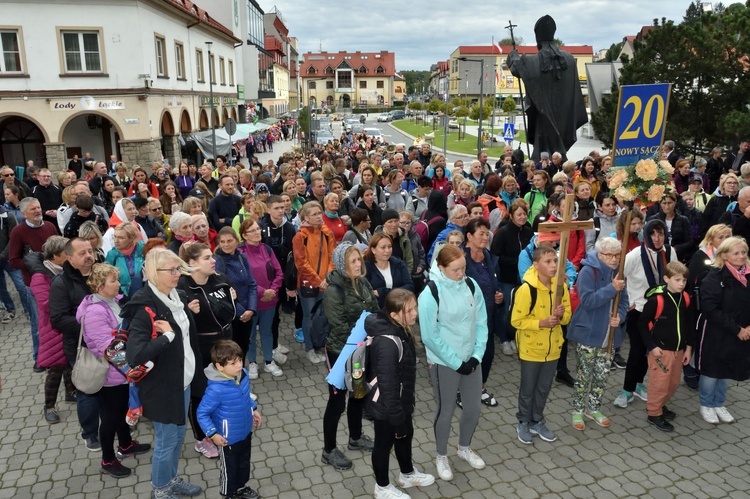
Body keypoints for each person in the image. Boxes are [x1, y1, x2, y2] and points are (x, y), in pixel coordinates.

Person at [122, 248, 205, 499]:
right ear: (153, 273)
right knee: (167, 441)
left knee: (178, 437)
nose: (177, 273)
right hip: (163, 387)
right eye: (172, 270)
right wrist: (167, 336)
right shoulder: (144, 306)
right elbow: (134, 355)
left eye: (178, 268)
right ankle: (160, 489)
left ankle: (171, 480)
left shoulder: (177, 296)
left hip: (184, 381)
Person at [418, 244, 487, 481]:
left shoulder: (471, 285)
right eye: (456, 269)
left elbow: (481, 323)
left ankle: (464, 447)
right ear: (441, 267)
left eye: (464, 268)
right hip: (445, 363)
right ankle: (441, 455)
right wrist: (456, 362)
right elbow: (429, 336)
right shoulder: (430, 293)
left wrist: (477, 355)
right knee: (445, 410)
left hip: (471, 359)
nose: (461, 273)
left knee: (473, 407)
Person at [77, 263, 151, 477]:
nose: (119, 283)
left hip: (122, 373)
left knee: (122, 410)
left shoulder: (116, 301)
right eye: (113, 280)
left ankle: (126, 444)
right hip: (112, 376)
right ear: (100, 286)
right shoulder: (94, 312)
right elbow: (108, 348)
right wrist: (132, 370)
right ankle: (108, 459)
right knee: (111, 417)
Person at [366, 289, 435, 499]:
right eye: (409, 310)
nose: (415, 313)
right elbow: (387, 385)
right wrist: (397, 418)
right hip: (387, 406)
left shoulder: (401, 329)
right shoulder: (387, 343)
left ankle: (407, 474)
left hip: (400, 401)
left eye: (415, 307)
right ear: (394, 315)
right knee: (383, 444)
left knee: (405, 435)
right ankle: (382, 487)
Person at [319, 242, 378, 471]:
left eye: (359, 260)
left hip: (361, 349)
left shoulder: (362, 282)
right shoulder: (334, 290)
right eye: (353, 261)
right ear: (343, 265)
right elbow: (340, 325)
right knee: (336, 402)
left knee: (358, 394)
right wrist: (365, 335)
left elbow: (373, 308)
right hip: (340, 351)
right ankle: (329, 450)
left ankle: (355, 437)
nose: (358, 264)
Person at [177, 242, 239, 460]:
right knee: (201, 394)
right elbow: (173, 322)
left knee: (223, 388)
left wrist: (233, 297)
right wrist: (187, 311)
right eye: (206, 258)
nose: (213, 260)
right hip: (200, 349)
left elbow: (228, 309)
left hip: (225, 344)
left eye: (212, 256)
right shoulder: (182, 287)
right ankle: (202, 438)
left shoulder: (219, 279)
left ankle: (219, 427)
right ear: (192, 263)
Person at [511, 246, 572, 444]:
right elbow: (516, 321)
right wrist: (541, 323)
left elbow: (568, 316)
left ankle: (537, 420)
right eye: (548, 261)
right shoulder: (526, 290)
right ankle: (523, 421)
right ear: (536, 265)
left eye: (555, 260)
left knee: (544, 388)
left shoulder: (560, 287)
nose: (553, 265)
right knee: (528, 389)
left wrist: (562, 315)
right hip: (531, 349)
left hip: (552, 348)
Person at [567, 238, 629, 431]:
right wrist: (611, 288)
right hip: (589, 333)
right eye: (610, 255)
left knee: (602, 374)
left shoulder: (619, 272)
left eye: (617, 255)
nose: (614, 259)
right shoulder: (588, 271)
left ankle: (593, 408)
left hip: (609, 335)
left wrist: (619, 316)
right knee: (585, 374)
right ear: (600, 255)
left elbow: (624, 301)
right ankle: (577, 409)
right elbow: (588, 301)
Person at [614, 220, 678, 409]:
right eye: (653, 234)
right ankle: (626, 390)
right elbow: (618, 278)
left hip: (661, 310)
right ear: (646, 235)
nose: (657, 239)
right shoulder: (635, 255)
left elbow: (674, 275)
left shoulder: (670, 252)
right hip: (640, 311)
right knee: (636, 351)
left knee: (651, 351)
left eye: (661, 234)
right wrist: (628, 302)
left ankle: (639, 384)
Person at [507, 14, 587, 161]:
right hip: (564, 118)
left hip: (544, 121)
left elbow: (517, 68)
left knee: (542, 154)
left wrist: (513, 56)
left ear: (538, 37)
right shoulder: (569, 59)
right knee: (557, 154)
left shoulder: (532, 61)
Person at [49, 238, 99, 449]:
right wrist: (93, 325)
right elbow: (58, 319)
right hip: (81, 348)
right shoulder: (62, 283)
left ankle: (118, 426)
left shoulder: (101, 273)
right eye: (82, 253)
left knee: (114, 385)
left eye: (90, 251)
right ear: (69, 257)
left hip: (110, 343)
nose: (89, 255)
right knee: (88, 391)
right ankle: (90, 433)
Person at [197, 340, 262, 499]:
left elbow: (245, 395)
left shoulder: (243, 375)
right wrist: (213, 434)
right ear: (220, 367)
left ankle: (241, 488)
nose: (239, 365)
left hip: (245, 432)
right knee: (230, 470)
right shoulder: (216, 389)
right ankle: (229, 494)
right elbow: (202, 413)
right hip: (227, 440)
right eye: (233, 363)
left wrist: (253, 409)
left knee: (244, 464)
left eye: (239, 360)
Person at [696, 236, 750, 424]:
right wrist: (737, 329)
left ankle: (719, 403)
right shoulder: (715, 276)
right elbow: (710, 309)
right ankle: (706, 404)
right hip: (716, 331)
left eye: (744, 252)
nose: (741, 256)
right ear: (725, 255)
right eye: (736, 253)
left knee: (727, 369)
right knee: (712, 371)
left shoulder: (748, 275)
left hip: (741, 332)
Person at [637, 261, 693, 432]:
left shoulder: (685, 298)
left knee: (673, 383)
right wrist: (652, 346)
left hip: (679, 349)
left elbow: (689, 324)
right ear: (666, 279)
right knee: (659, 384)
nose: (681, 284)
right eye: (677, 280)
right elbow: (641, 324)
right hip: (660, 351)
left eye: (684, 280)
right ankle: (654, 413)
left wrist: (689, 347)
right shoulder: (657, 300)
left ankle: (660, 405)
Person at [27, 236, 76, 424]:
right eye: (67, 252)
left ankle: (70, 392)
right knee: (55, 367)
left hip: (66, 322)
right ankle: (49, 406)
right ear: (56, 255)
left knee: (69, 362)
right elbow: (47, 304)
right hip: (52, 328)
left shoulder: (65, 270)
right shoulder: (40, 277)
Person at [8, 197, 58, 371]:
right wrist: (35, 266)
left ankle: (56, 356)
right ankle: (39, 358)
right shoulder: (18, 232)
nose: (38, 211)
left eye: (38, 207)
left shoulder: (50, 226)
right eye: (32, 209)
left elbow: (58, 249)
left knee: (55, 319)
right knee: (39, 322)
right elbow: (13, 260)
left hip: (55, 281)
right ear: (23, 214)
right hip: (34, 284)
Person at [463, 219, 503, 408]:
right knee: (468, 355)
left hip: (488, 318)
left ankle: (480, 388)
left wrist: (499, 296)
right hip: (467, 321)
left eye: (487, 233)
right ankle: (462, 391)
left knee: (486, 355)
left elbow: (496, 283)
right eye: (481, 233)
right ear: (469, 236)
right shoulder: (461, 260)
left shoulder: (489, 258)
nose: (485, 237)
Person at [292, 201, 335, 364]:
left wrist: (328, 278)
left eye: (320, 213)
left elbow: (332, 255)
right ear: (306, 217)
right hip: (308, 284)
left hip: (326, 282)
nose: (319, 216)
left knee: (322, 317)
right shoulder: (300, 236)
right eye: (315, 214)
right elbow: (301, 263)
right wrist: (319, 281)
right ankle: (310, 349)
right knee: (309, 317)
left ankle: (320, 346)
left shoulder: (326, 232)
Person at [491, 200, 534, 355]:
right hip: (507, 277)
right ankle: (504, 339)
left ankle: (515, 336)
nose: (522, 217)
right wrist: (518, 261)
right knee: (505, 309)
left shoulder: (528, 231)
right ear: (512, 215)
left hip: (524, 278)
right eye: (519, 214)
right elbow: (495, 255)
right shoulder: (503, 232)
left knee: (520, 309)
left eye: (524, 214)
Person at [364, 233, 414, 309]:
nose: (387, 250)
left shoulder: (398, 263)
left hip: (400, 308)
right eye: (383, 247)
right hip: (377, 312)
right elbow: (368, 294)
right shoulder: (366, 267)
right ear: (373, 250)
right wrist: (399, 290)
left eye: (389, 247)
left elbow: (409, 287)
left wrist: (382, 292)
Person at [648, 192, 694, 263]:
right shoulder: (653, 220)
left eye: (669, 203)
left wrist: (675, 249)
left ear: (675, 203)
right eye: (664, 203)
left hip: (678, 258)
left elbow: (689, 242)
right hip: (658, 256)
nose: (667, 206)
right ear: (660, 204)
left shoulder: (683, 220)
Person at [105, 223, 145, 298]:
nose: (116, 241)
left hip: (144, 295)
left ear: (131, 239)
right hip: (121, 297)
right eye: (115, 237)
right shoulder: (112, 254)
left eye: (121, 238)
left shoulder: (144, 250)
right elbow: (106, 279)